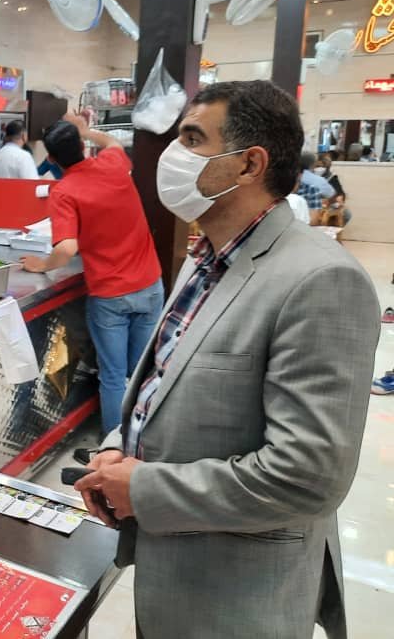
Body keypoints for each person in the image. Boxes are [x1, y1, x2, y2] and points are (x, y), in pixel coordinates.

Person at [74, 80, 380, 638]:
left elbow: (308, 477)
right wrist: (120, 449)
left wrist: (142, 488)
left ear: (249, 165)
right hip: (172, 569)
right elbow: (166, 382)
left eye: (193, 139)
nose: (173, 154)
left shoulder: (319, 280)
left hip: (237, 593)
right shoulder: (206, 257)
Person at [20, 114, 163, 435]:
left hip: (111, 295)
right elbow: (112, 143)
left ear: (51, 159)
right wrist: (87, 131)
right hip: (151, 286)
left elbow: (66, 247)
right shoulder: (113, 164)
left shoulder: (65, 191)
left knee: (113, 376)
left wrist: (41, 265)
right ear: (82, 146)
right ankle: (141, 441)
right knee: (142, 372)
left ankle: (113, 447)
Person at [295, 151, 334, 225]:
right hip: (309, 219)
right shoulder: (315, 184)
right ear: (314, 164)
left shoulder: (289, 178)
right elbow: (331, 195)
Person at [314, 154, 351, 226]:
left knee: (346, 214)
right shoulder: (307, 176)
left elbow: (340, 192)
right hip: (312, 204)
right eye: (317, 166)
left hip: (328, 204)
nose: (319, 169)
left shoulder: (331, 177)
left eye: (323, 167)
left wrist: (340, 197)